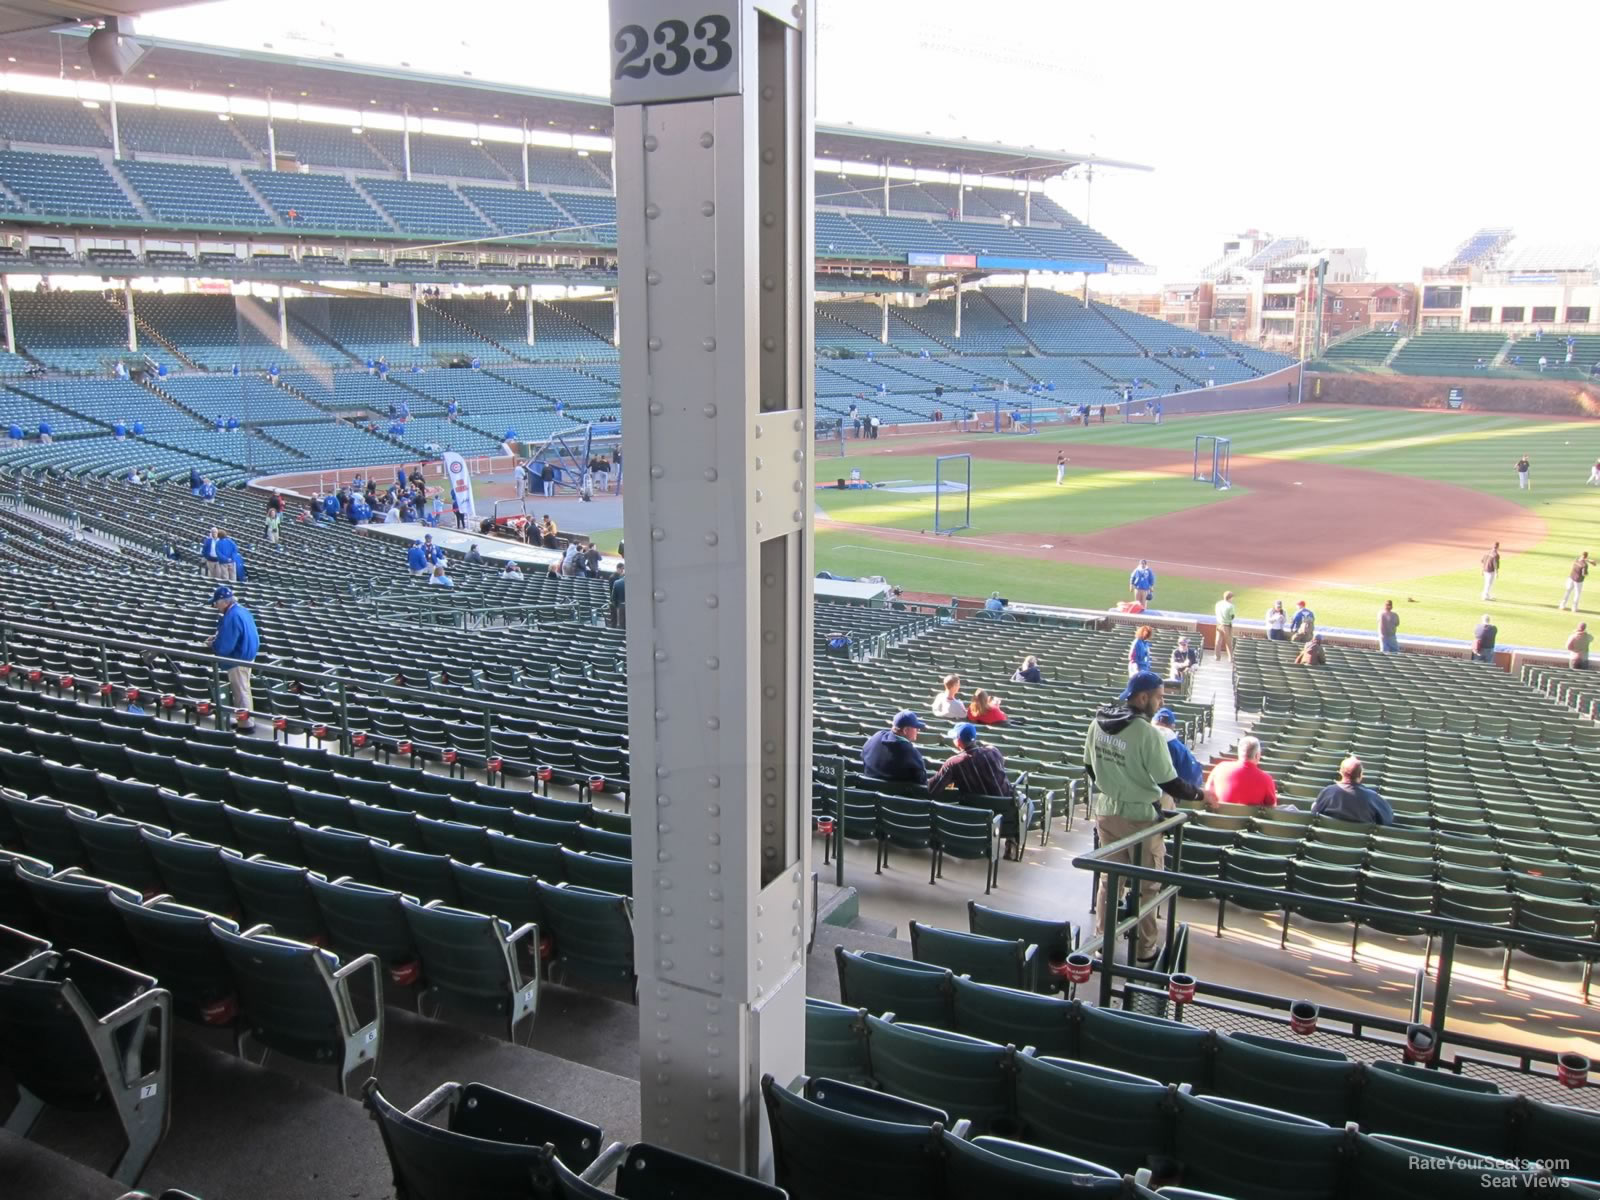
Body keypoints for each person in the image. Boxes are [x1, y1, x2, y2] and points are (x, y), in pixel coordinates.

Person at [1082, 671, 1206, 963]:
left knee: (1109, 881)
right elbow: (1171, 784)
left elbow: (1089, 767)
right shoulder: (1148, 733)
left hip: (1107, 812)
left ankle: (1102, 943)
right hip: (1140, 819)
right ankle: (1145, 950)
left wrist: (1115, 784)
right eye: (1159, 697)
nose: (1160, 702)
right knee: (1147, 886)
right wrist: (1202, 795)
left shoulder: (1097, 723)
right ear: (1142, 697)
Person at [206, 586, 258, 731]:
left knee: (241, 691)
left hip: (238, 657)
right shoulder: (241, 610)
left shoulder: (232, 616)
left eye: (216, 602)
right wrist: (217, 638)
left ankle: (246, 725)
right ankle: (244, 721)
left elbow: (224, 647)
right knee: (243, 689)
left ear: (224, 602)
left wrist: (213, 643)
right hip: (247, 653)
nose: (215, 606)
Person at [1311, 757, 1394, 826]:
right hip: (1361, 844)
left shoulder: (1328, 791)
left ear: (1341, 772)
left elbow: (1314, 813)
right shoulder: (1373, 797)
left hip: (1327, 841)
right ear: (1361, 775)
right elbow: (1388, 820)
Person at [1205, 736, 1278, 808]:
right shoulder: (1266, 779)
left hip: (1219, 818)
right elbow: (1272, 808)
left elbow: (1207, 792)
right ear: (1257, 755)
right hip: (1248, 819)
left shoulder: (1220, 768)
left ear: (1239, 753)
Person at [861, 711, 929, 786]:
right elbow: (922, 780)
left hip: (867, 790)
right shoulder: (910, 753)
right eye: (916, 728)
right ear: (905, 730)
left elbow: (863, 755)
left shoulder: (876, 737)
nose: (918, 731)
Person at [1152, 708, 1203, 790]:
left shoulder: (1144, 739)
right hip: (1172, 792)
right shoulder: (1178, 747)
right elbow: (1194, 778)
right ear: (1173, 726)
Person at [1214, 591, 1236, 659]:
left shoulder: (1218, 604)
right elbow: (1232, 616)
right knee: (1229, 642)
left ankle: (1217, 656)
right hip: (1226, 625)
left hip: (1219, 624)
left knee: (1218, 641)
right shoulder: (1231, 606)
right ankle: (1230, 657)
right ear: (1230, 598)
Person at [609, 562, 626, 628]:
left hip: (619, 604)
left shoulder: (618, 580)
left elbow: (613, 596)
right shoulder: (614, 578)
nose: (622, 570)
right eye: (622, 569)